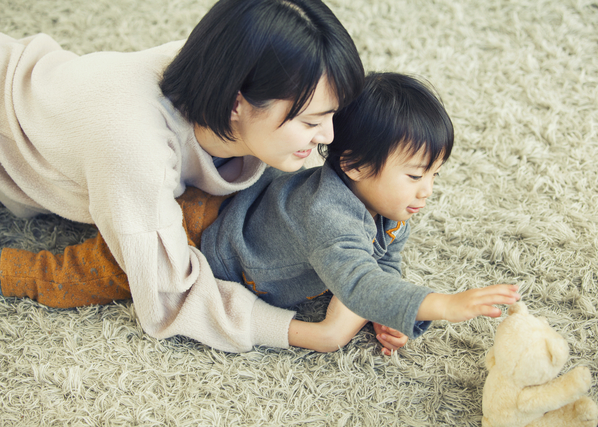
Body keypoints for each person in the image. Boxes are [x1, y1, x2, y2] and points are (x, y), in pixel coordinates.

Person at [0, 0, 365, 353]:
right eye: (312, 121)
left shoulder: (220, 64)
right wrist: (317, 334)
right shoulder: (135, 149)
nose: (328, 136)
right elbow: (168, 294)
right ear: (237, 103)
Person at [198, 72, 521, 353]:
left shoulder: (392, 208)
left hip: (276, 204)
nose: (427, 191)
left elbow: (384, 263)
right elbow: (359, 282)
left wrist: (386, 313)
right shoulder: (329, 218)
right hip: (229, 254)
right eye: (414, 175)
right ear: (354, 165)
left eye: (434, 174)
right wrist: (443, 304)